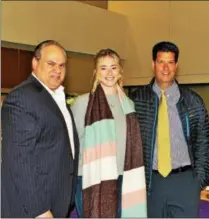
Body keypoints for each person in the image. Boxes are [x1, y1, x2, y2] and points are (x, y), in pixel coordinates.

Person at [130, 41, 209, 217]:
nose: (165, 68)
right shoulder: (136, 100)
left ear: (176, 65)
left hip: (185, 182)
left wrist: (198, 180)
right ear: (153, 65)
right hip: (150, 183)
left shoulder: (193, 101)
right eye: (161, 62)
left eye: (170, 62)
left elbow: (203, 142)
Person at [1, 40, 79, 218]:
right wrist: (40, 211)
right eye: (51, 64)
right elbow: (19, 161)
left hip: (56, 201)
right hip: (35, 209)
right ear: (35, 63)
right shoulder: (22, 98)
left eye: (62, 65)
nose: (57, 70)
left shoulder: (58, 97)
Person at [71, 49, 147, 218]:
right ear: (95, 73)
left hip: (124, 178)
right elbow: (71, 145)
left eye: (113, 67)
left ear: (120, 70)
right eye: (103, 68)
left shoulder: (128, 105)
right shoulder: (83, 103)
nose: (109, 73)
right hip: (90, 179)